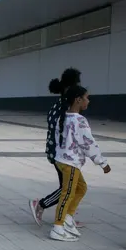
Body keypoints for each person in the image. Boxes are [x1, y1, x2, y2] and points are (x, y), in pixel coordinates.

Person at [49, 85, 109, 242]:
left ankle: (68, 218)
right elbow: (89, 143)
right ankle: (58, 227)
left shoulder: (63, 117)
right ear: (78, 100)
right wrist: (102, 162)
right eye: (86, 98)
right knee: (67, 194)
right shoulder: (80, 120)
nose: (88, 101)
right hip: (70, 163)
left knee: (81, 188)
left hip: (62, 161)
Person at [29, 68, 82, 226]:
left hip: (55, 151)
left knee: (69, 186)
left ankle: (66, 217)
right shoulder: (66, 107)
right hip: (63, 154)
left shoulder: (58, 104)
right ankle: (41, 204)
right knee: (68, 188)